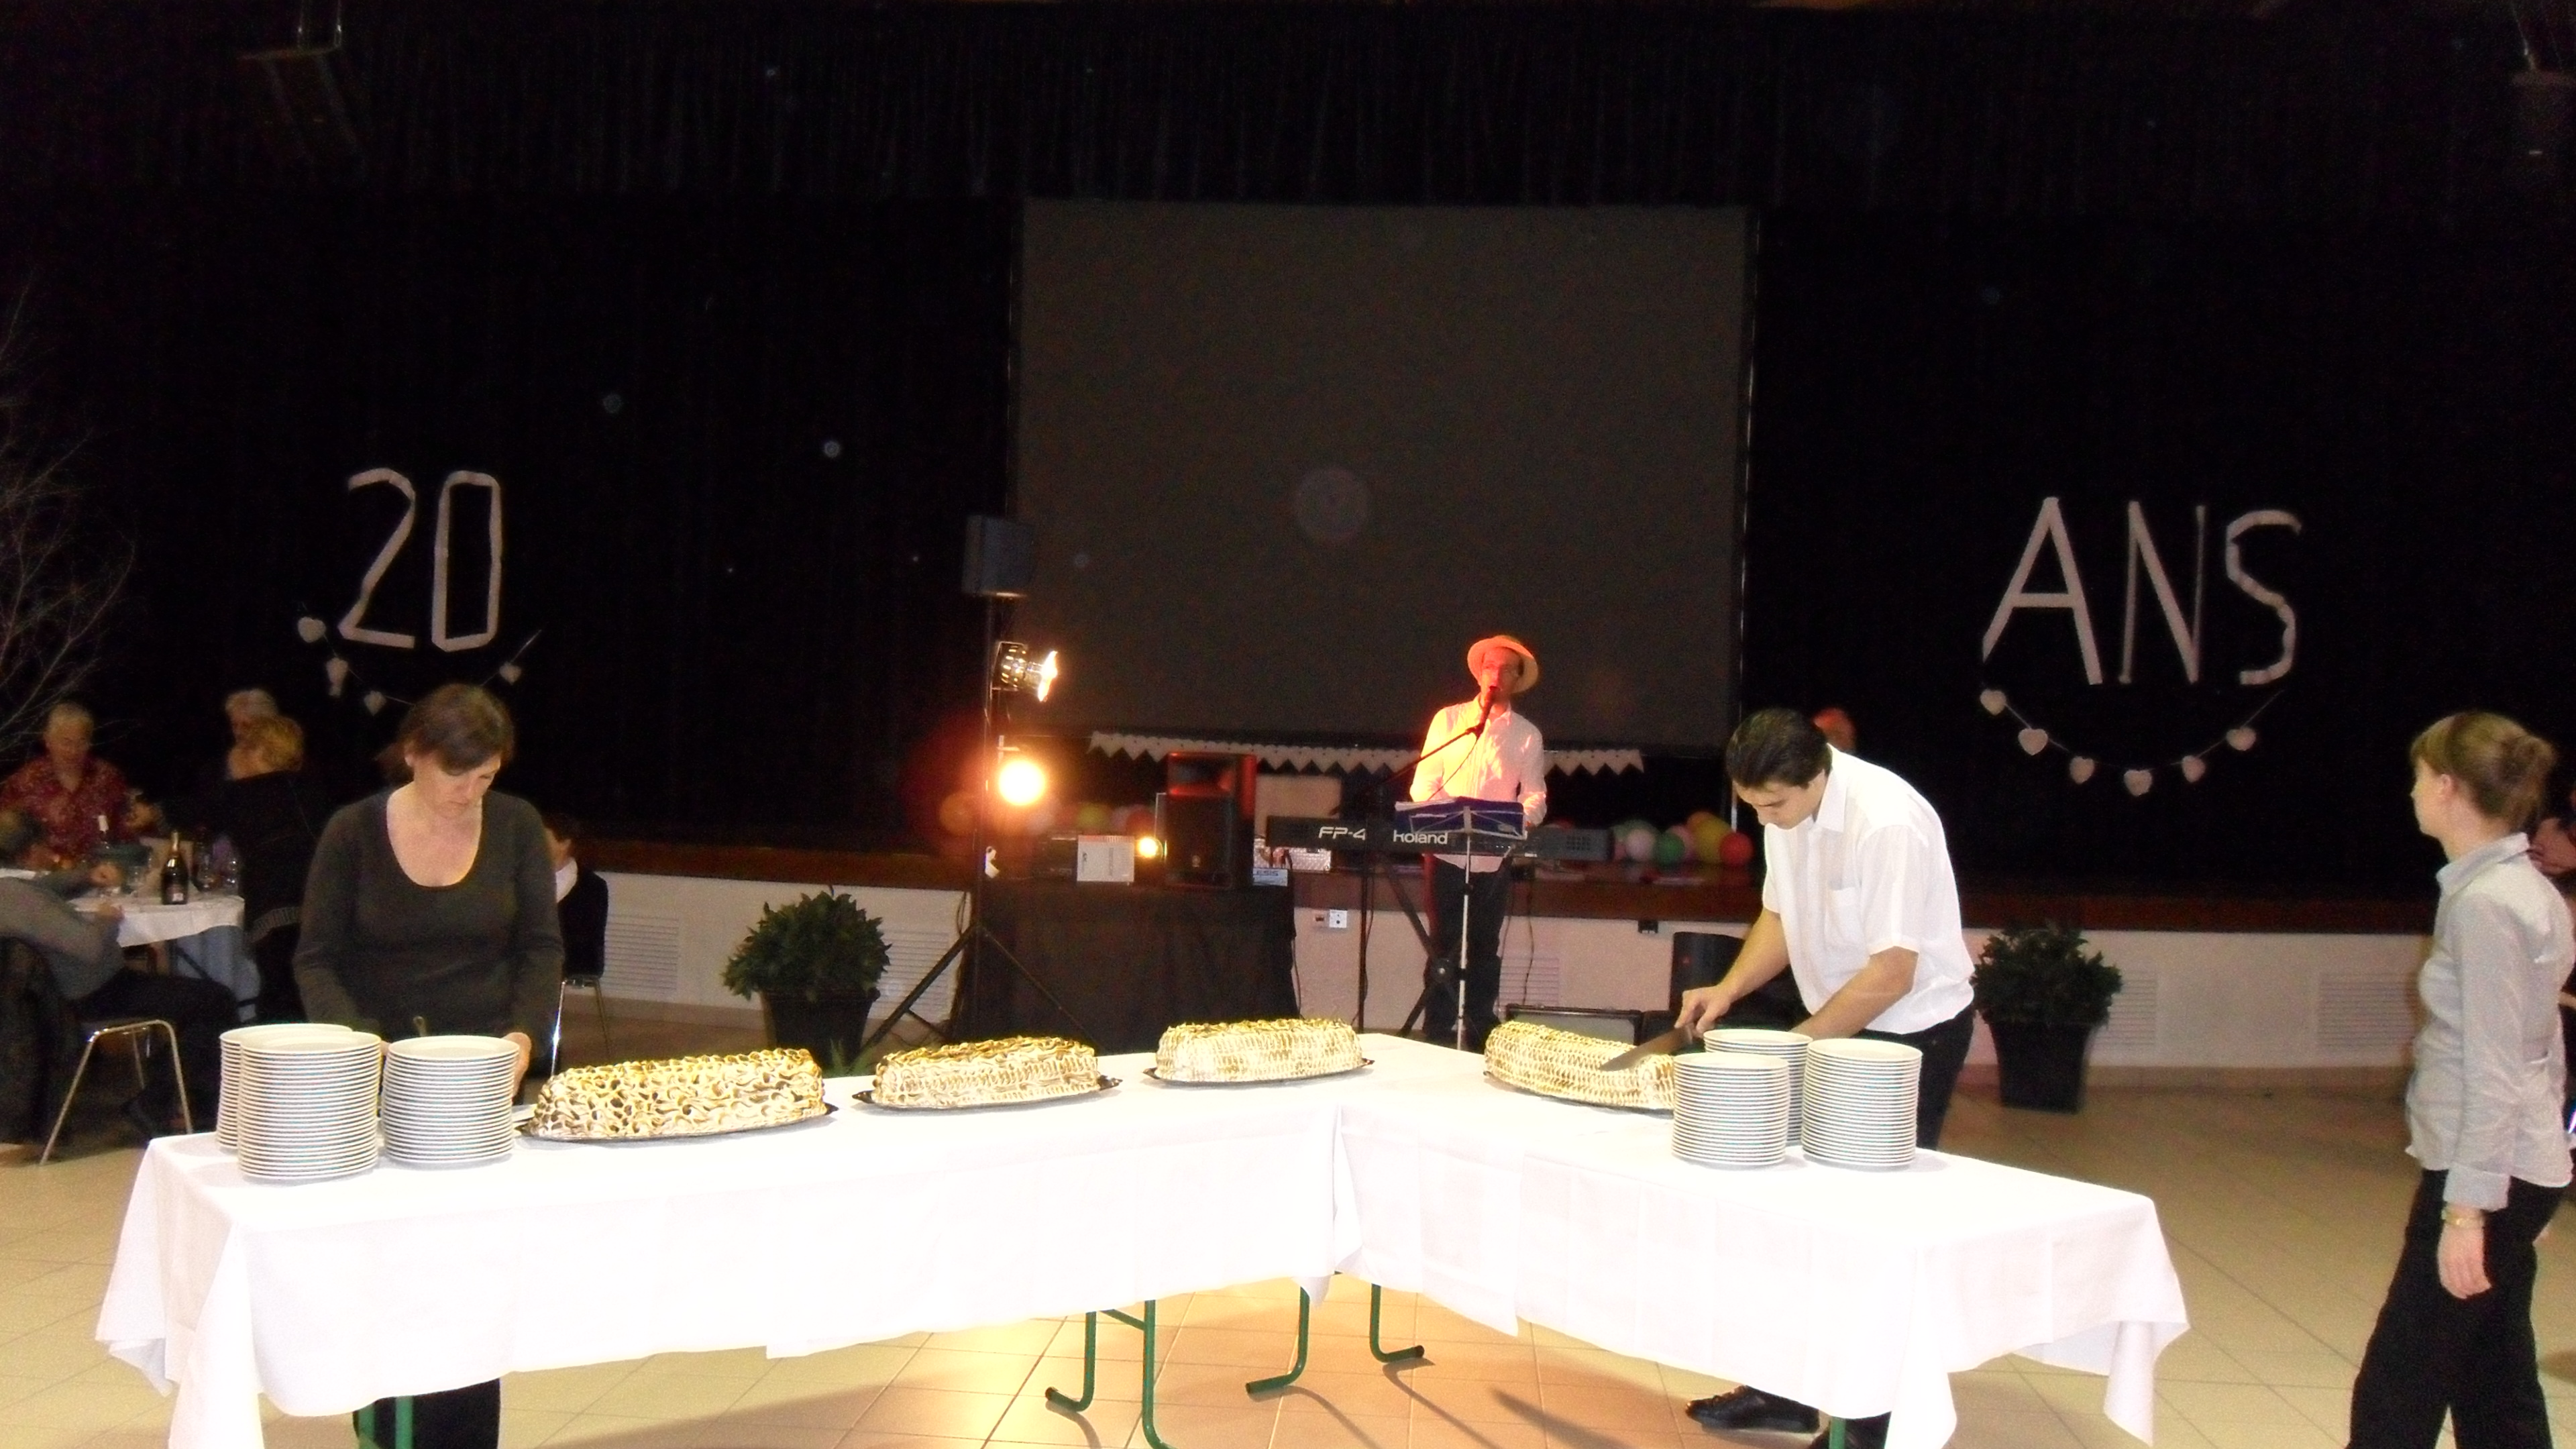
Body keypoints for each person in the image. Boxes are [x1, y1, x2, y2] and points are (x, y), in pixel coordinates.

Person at [1672, 708, 1977, 1449]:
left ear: (1820, 775)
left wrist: (1796, 1047)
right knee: (1799, 1216)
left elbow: (1893, 973)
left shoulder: (1887, 822)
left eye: (1775, 804)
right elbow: (1781, 917)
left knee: (1873, 1237)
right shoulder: (1783, 809)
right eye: (1752, 806)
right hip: (1839, 1021)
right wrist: (1729, 990)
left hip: (1910, 1034)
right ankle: (1783, 1390)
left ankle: (1870, 1425)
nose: (1764, 818)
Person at [295, 684, 561, 1449]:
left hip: (480, 1082)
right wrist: (360, 1043)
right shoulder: (353, 832)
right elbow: (316, 958)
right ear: (413, 753)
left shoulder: (516, 826)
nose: (470, 794)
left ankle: (467, 1431)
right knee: (388, 1273)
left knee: (470, 1276)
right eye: (457, 775)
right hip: (377, 1079)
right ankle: (386, 1425)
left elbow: (540, 948)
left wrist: (521, 1040)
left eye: (487, 777)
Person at [2345, 713, 2570, 1449]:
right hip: (2510, 1170)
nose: (2411, 792)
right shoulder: (2516, 888)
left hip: (2486, 1175)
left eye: (2418, 777)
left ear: (2446, 786)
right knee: (2493, 1378)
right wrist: (2536, 1179)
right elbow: (2542, 1044)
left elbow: (2498, 1066)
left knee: (2397, 1388)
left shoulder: (2489, 903)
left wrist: (2471, 1213)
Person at [0, 809, 227, 1131]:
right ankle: (156, 1103)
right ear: (31, 851)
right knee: (215, 1001)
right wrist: (106, 921)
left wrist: (84, 877)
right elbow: (89, 948)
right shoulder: (15, 898)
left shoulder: (13, 889)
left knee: (201, 1000)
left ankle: (179, 1096)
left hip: (79, 989)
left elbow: (43, 889)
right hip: (92, 993)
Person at [1408, 635, 1546, 1053]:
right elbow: (1423, 783)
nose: (1495, 675)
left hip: (1494, 856)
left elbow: (1535, 795)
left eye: (1505, 669)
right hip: (1446, 852)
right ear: (1479, 674)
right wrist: (1445, 818)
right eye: (1489, 667)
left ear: (1517, 679)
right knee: (1443, 943)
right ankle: (1437, 1033)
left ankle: (1481, 1033)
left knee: (1485, 946)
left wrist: (1518, 820)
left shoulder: (1527, 735)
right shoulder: (1449, 721)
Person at [197, 716, 330, 1022]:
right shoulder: (312, 789)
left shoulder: (247, 794)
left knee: (280, 993)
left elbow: (197, 811)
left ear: (258, 753)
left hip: (275, 903)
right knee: (311, 987)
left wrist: (152, 812)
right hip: (323, 901)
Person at [0, 702, 155, 866]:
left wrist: (145, 819)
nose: (73, 751)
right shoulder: (25, 782)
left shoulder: (107, 778)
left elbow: (128, 832)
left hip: (102, 873)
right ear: (48, 740)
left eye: (81, 742)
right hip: (45, 876)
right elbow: (6, 837)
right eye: (66, 743)